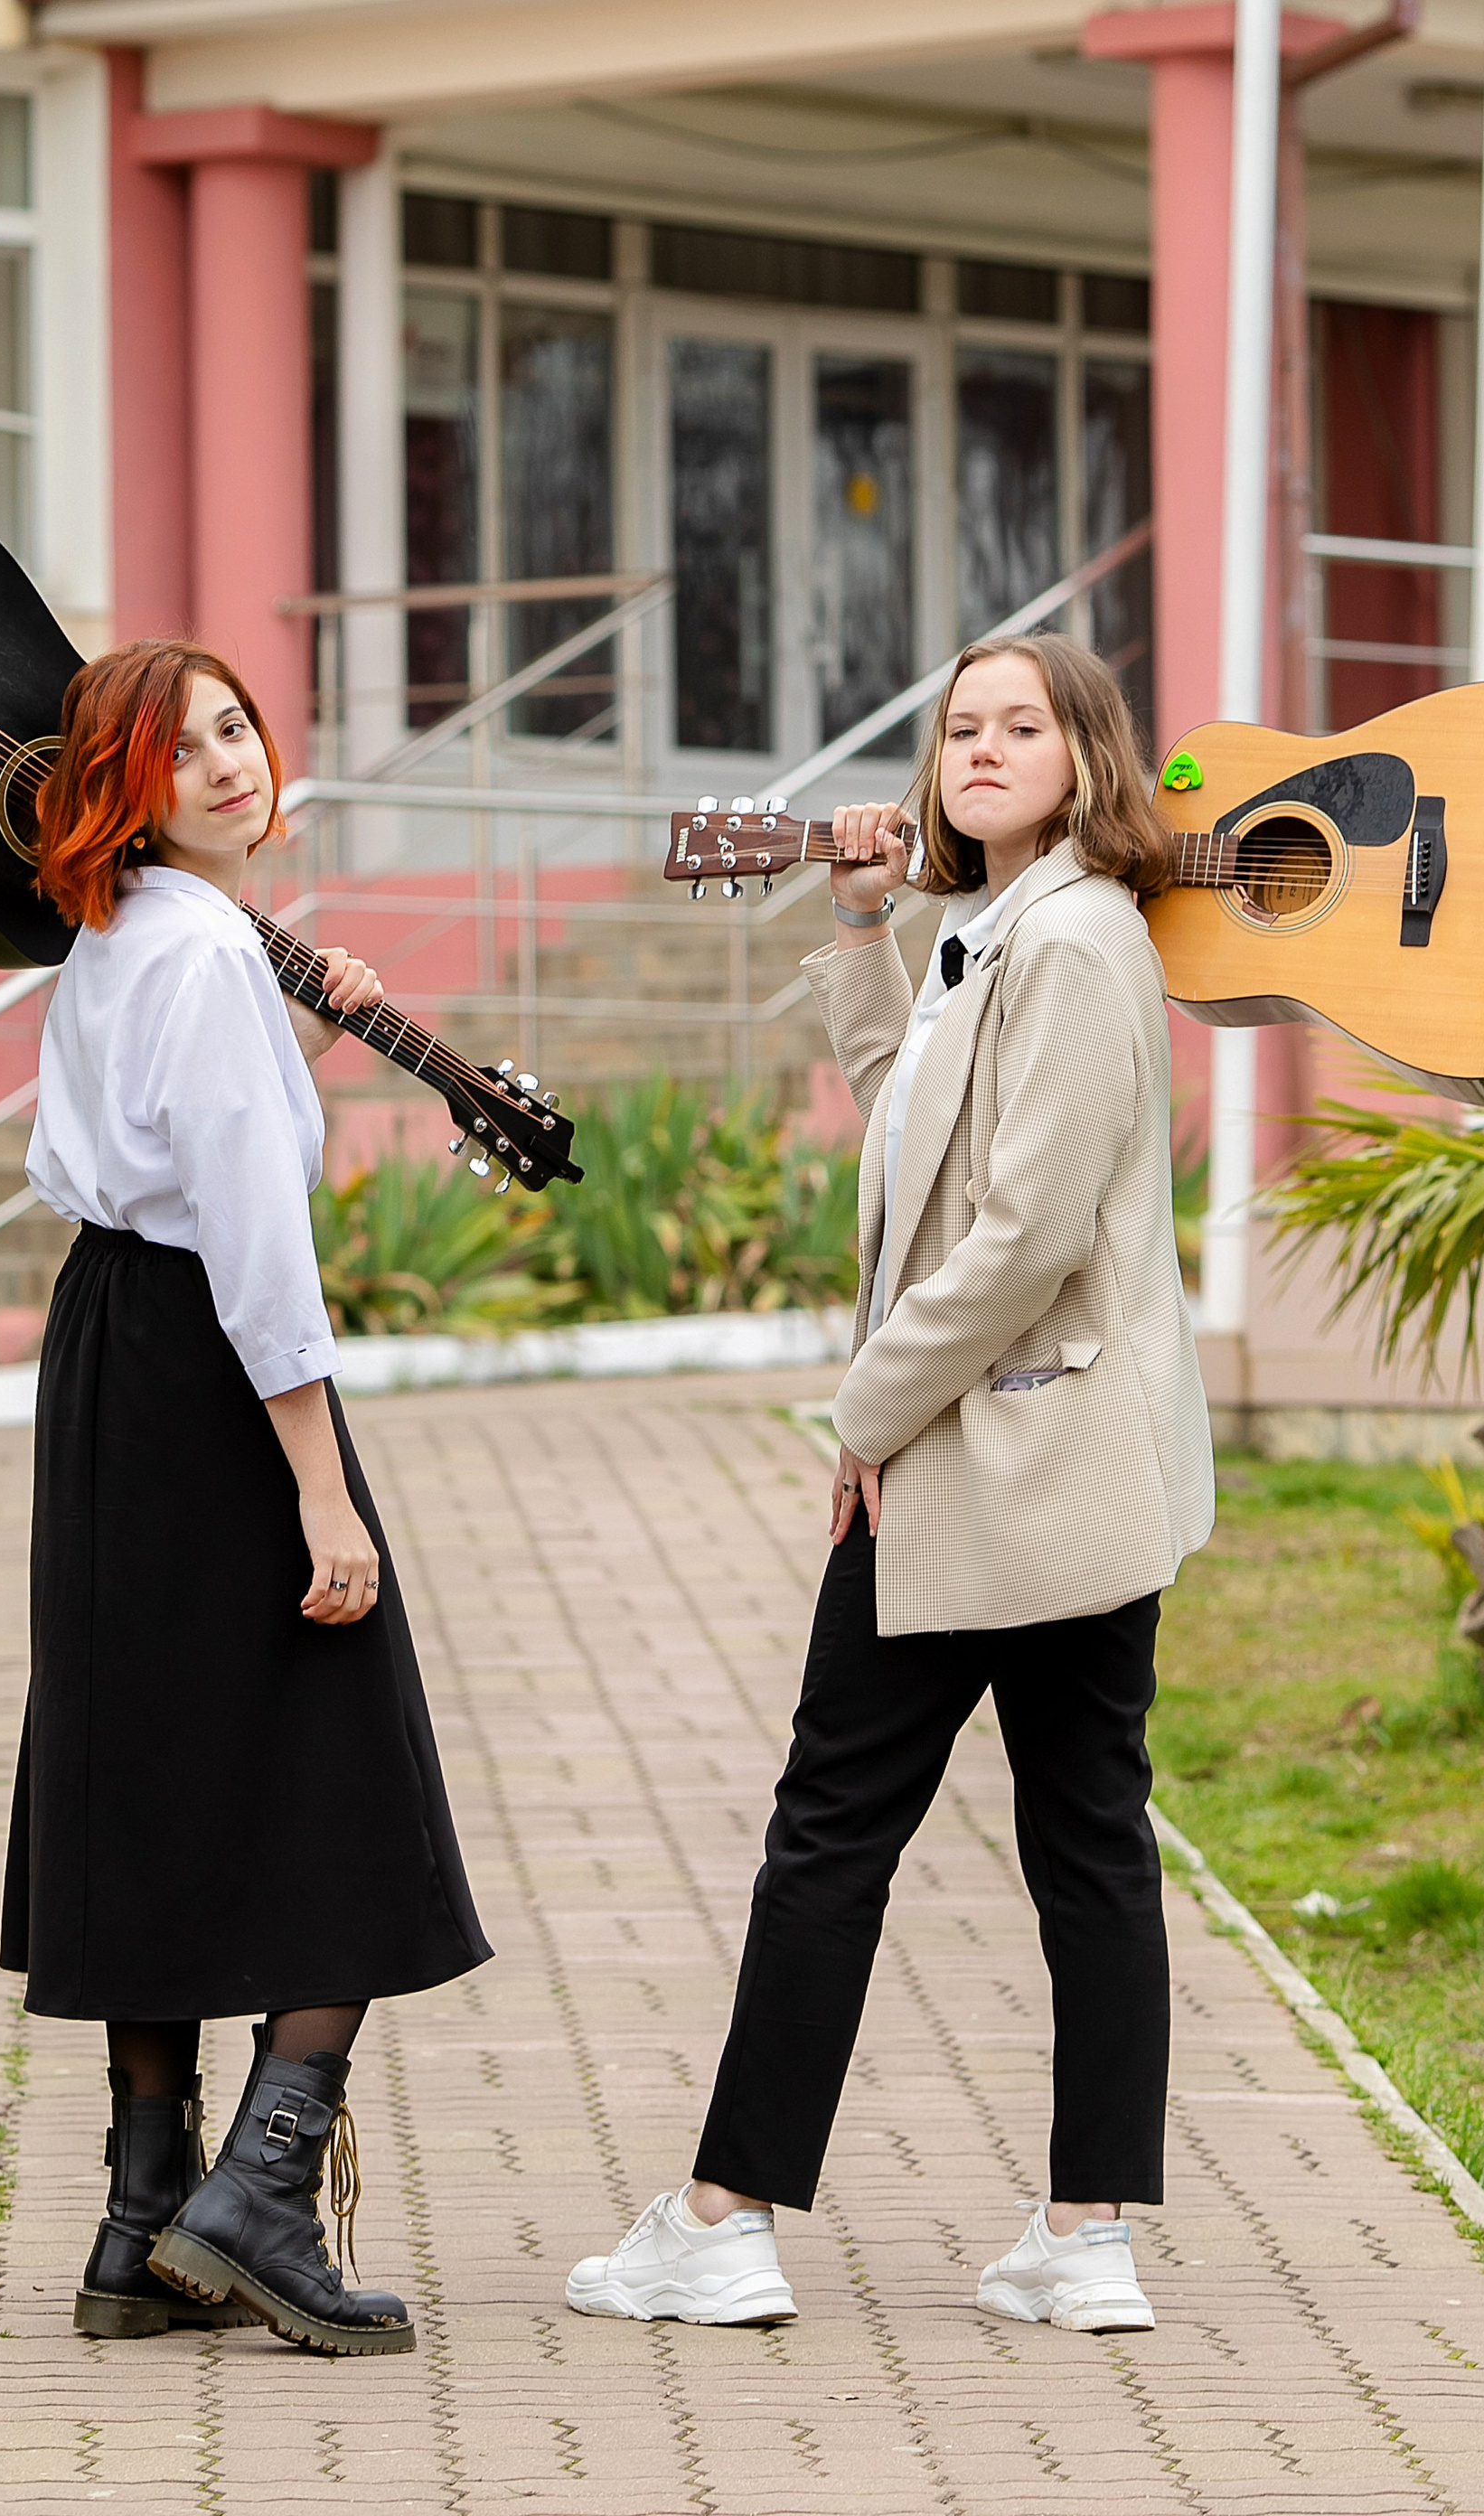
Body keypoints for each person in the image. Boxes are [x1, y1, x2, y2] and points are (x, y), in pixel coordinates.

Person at [567, 633, 1213, 2338]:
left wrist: (864, 1412)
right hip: (1033, 1458)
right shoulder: (989, 935)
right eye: (960, 730)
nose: (984, 750)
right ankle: (1085, 2243)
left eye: (1023, 725)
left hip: (1000, 1462)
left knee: (836, 1834)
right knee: (1088, 1842)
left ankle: (724, 2220)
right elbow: (908, 1144)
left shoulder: (1073, 941)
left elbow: (1023, 1240)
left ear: (1088, 755)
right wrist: (862, 930)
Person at [2, 638, 491, 2361]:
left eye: (235, 727)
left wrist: (298, 1056)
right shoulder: (207, 951)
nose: (225, 762)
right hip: (217, 1371)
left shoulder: (126, 927)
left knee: (144, 1760)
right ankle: (264, 2200)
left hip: (108, 1350)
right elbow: (256, 1244)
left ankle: (145, 2215)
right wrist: (321, 1490)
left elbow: (189, 1146)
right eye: (177, 746)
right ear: (120, 785)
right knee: (344, 1763)